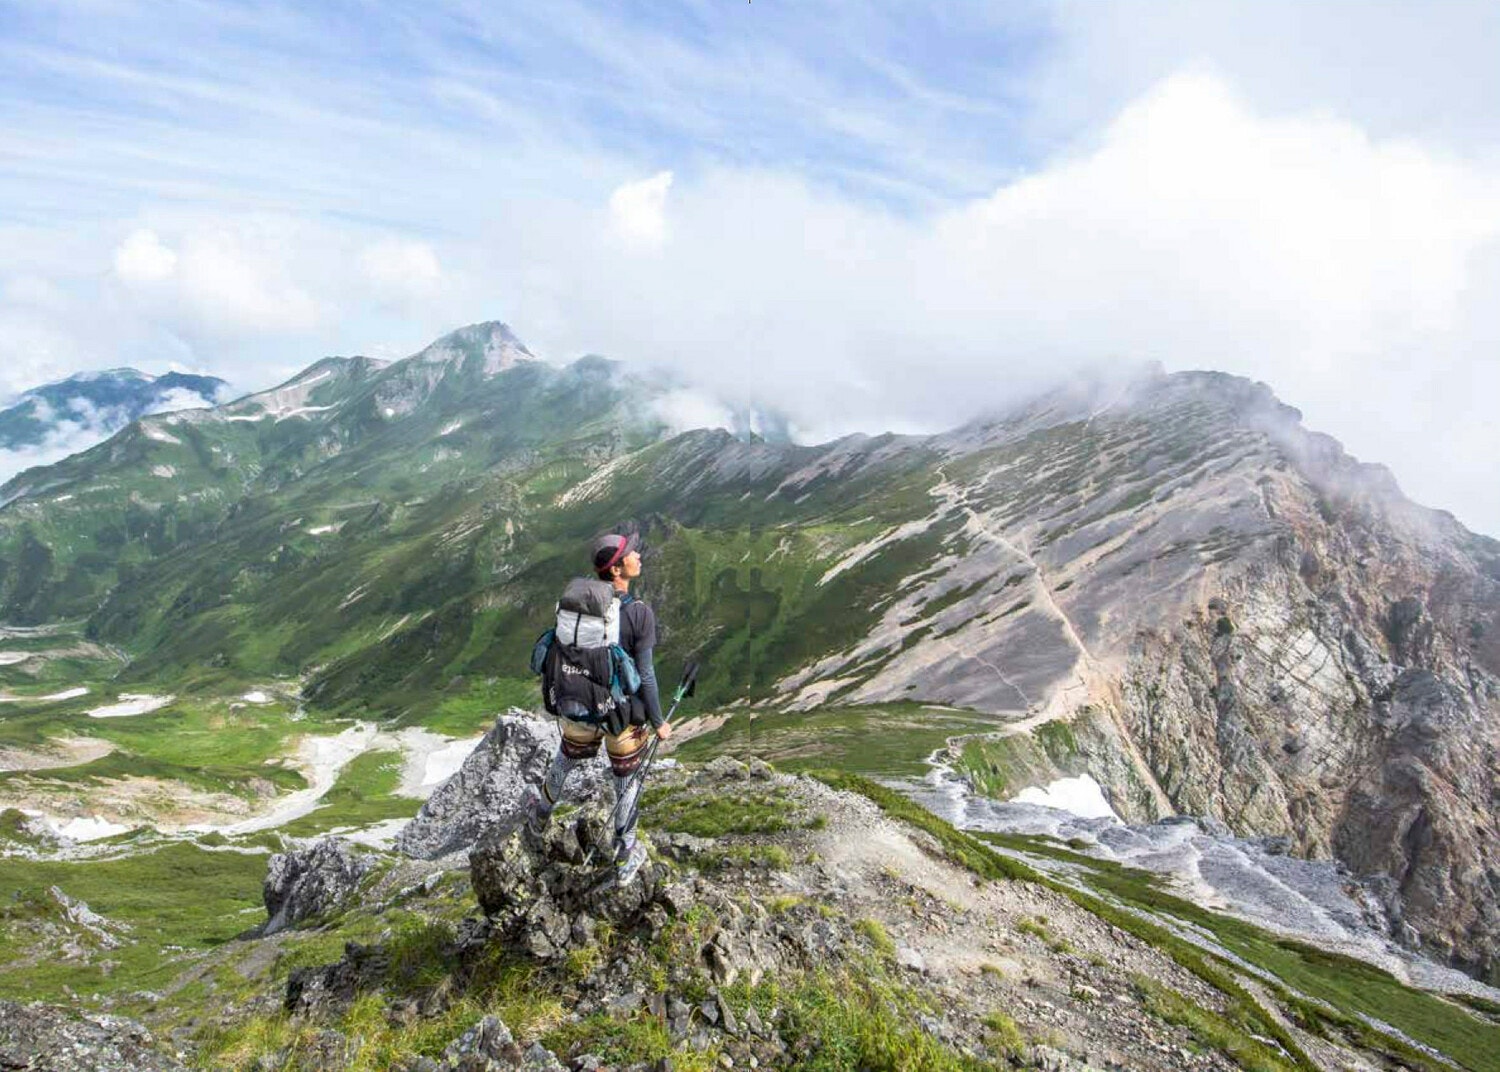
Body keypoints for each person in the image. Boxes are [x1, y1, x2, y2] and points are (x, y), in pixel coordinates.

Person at [525, 532, 672, 885]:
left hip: (578, 707)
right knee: (627, 783)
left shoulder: (581, 605)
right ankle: (625, 853)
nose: (638, 555)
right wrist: (658, 722)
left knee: (565, 760)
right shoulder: (638, 613)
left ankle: (539, 817)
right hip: (620, 717)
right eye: (631, 553)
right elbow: (646, 675)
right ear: (618, 569)